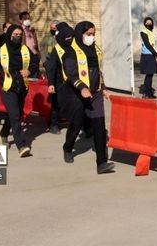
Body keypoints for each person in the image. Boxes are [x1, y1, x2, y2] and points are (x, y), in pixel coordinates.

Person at [61, 21, 115, 174]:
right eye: (88, 34)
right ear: (80, 34)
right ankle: (68, 147)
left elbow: (98, 71)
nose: (91, 37)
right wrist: (82, 87)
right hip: (77, 94)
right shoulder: (71, 52)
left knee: (99, 126)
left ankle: (102, 162)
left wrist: (103, 88)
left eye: (93, 34)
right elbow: (70, 73)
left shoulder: (95, 50)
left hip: (95, 94)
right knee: (76, 124)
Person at [0, 24, 39, 157]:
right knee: (15, 115)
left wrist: (29, 70)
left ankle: (3, 134)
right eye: (15, 35)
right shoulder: (1, 51)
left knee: (15, 114)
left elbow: (35, 62)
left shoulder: (25, 49)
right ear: (9, 35)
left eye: (20, 35)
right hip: (7, 87)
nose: (18, 37)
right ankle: (22, 146)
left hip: (22, 86)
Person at [46, 22, 75, 134]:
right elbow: (51, 68)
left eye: (71, 37)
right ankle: (54, 124)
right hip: (59, 81)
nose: (70, 39)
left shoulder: (74, 48)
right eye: (67, 37)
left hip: (73, 81)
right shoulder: (56, 50)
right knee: (56, 104)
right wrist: (51, 84)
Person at [139, 17, 157, 99]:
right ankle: (147, 93)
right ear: (144, 24)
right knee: (149, 75)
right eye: (147, 23)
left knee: (150, 75)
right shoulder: (143, 32)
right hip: (147, 55)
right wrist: (154, 52)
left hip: (151, 55)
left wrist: (156, 51)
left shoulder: (151, 32)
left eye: (150, 23)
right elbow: (147, 43)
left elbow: (153, 42)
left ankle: (148, 92)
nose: (149, 24)